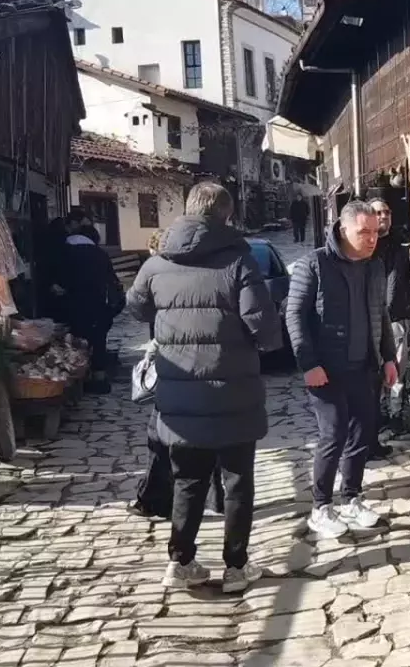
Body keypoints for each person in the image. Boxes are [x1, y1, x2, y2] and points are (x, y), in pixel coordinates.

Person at [128, 181, 281, 592]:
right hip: (234, 394)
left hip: (179, 396)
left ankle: (180, 563)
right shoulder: (240, 260)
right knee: (237, 481)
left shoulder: (157, 262)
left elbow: (136, 305)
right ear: (225, 216)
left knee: (188, 481)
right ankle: (236, 567)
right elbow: (263, 325)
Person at [286, 200, 398, 539]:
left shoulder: (375, 267)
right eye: (363, 232)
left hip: (365, 367)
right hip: (326, 370)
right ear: (342, 228)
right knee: (332, 435)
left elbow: (382, 315)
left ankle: (352, 498)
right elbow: (294, 315)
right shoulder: (314, 264)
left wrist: (389, 357)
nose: (371, 238)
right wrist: (308, 363)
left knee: (362, 435)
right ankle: (321, 506)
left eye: (375, 232)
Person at [129, 227, 226, 521]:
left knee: (159, 436)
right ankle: (216, 498)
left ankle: (154, 499)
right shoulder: (210, 272)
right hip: (210, 369)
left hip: (174, 368)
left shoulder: (159, 277)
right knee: (209, 433)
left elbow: (139, 309)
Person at [370, 198, 410, 451]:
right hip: (373, 318)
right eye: (378, 212)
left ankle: (396, 415)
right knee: (375, 371)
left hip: (396, 316)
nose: (384, 215)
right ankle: (377, 416)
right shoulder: (366, 246)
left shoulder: (400, 245)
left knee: (397, 368)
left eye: (387, 211)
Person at [62, 221, 124, 394]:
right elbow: (111, 281)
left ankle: (76, 378)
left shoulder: (65, 252)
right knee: (98, 341)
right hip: (97, 305)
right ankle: (98, 378)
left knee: (74, 341)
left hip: (72, 304)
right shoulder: (100, 254)